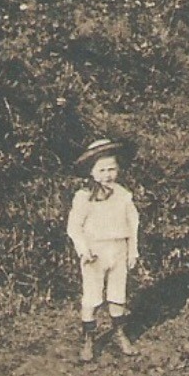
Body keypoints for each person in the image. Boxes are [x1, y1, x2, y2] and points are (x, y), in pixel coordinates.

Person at [67, 138, 141, 362]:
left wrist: (133, 250)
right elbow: (74, 227)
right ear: (92, 172)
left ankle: (120, 334)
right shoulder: (84, 197)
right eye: (102, 170)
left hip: (118, 248)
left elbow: (133, 224)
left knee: (118, 295)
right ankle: (89, 340)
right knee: (92, 296)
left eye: (112, 169)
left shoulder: (123, 195)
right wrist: (84, 250)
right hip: (95, 253)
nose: (108, 174)